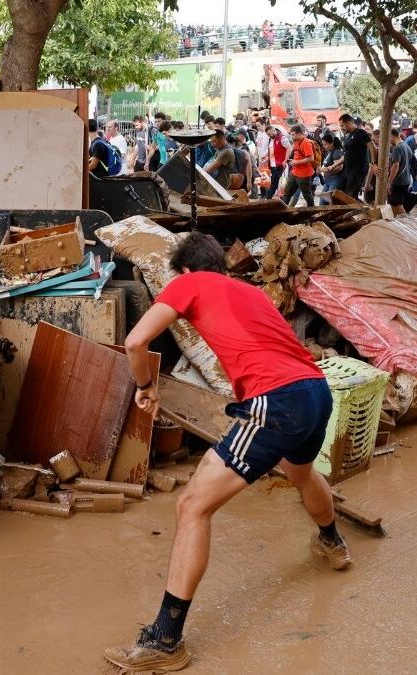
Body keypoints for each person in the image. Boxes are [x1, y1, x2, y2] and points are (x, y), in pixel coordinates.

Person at [104, 231, 349, 673]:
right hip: (315, 391)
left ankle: (165, 641)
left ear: (185, 270)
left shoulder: (188, 282)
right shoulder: (248, 290)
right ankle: (333, 543)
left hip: (275, 401)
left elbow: (135, 343)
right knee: (301, 473)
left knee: (193, 506)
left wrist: (145, 386)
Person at [339, 113, 376, 199]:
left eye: (342, 125)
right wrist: (333, 165)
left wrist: (373, 162)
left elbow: (372, 146)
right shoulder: (348, 135)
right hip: (348, 169)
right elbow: (347, 154)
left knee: (350, 196)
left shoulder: (360, 132)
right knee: (340, 192)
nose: (342, 128)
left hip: (357, 171)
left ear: (349, 122)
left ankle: (361, 210)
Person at [282, 124, 316, 206]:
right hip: (294, 172)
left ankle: (311, 213)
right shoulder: (297, 141)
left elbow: (311, 159)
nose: (292, 136)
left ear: (300, 133)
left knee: (307, 196)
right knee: (286, 194)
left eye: (293, 134)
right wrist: (291, 161)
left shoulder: (306, 142)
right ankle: (281, 213)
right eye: (291, 134)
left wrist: (296, 162)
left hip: (304, 174)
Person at [387, 127, 412, 216]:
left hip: (398, 182)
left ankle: (405, 223)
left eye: (388, 137)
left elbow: (395, 166)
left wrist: (389, 182)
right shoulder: (406, 146)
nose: (388, 140)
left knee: (396, 204)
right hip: (406, 180)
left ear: (392, 136)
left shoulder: (397, 148)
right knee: (395, 204)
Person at [265, 125, 291, 198]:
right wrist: (267, 156)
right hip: (272, 165)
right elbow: (272, 150)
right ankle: (281, 199)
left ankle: (267, 199)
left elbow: (289, 148)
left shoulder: (282, 138)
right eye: (268, 135)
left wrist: (285, 160)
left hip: (279, 165)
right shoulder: (271, 139)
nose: (269, 136)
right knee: (278, 184)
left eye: (270, 134)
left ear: (274, 131)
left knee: (274, 184)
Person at [318, 133, 344, 205]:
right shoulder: (330, 152)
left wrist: (325, 169)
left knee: (332, 203)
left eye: (325, 144)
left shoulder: (337, 152)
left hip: (335, 181)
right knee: (322, 204)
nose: (324, 146)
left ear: (331, 143)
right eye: (323, 144)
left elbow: (339, 168)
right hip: (328, 181)